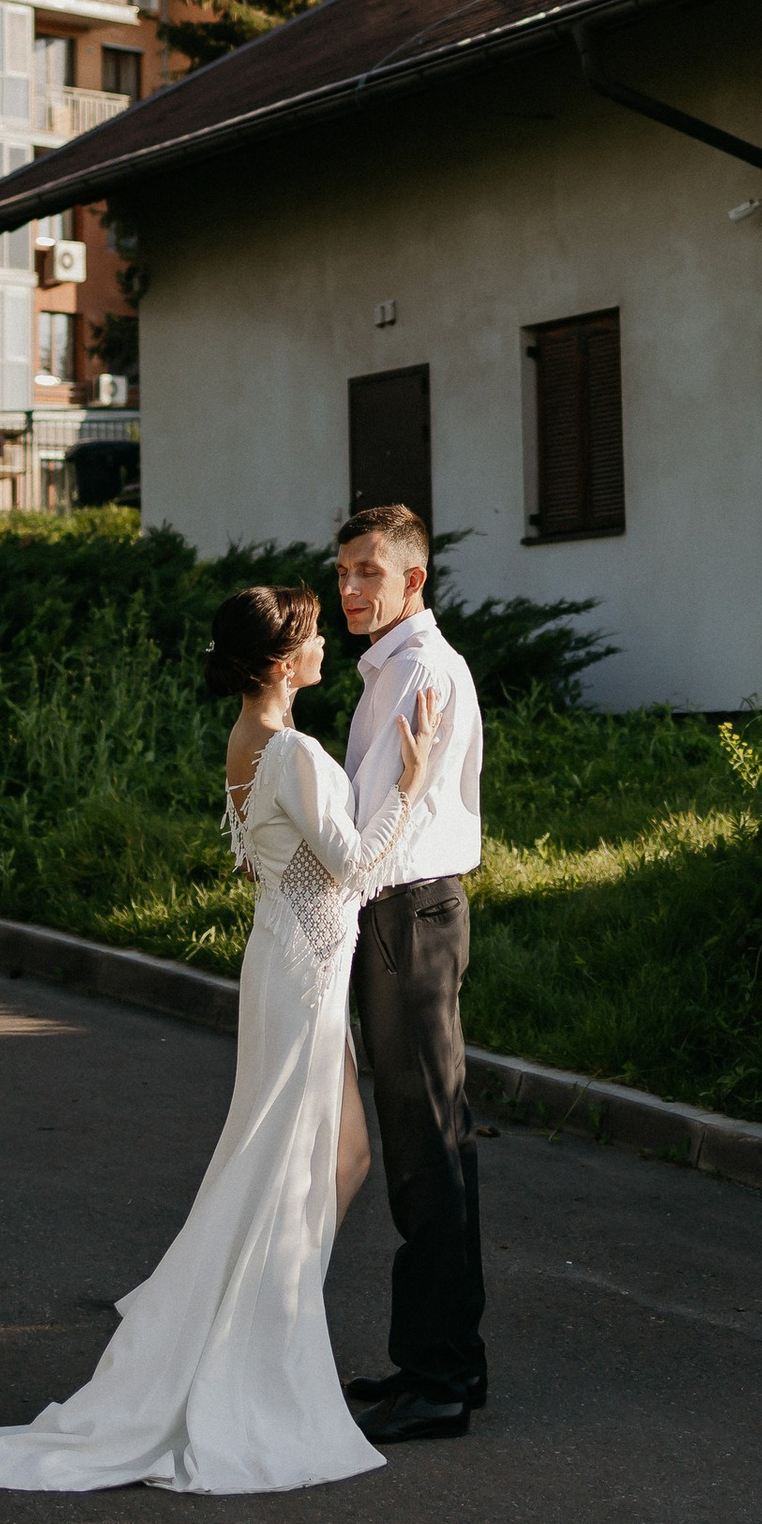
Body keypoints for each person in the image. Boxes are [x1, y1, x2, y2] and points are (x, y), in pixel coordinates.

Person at [0, 583, 439, 1495]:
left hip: (292, 966)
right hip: (300, 979)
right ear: (283, 662)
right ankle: (250, 1334)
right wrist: (411, 788)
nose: (325, 647)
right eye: (313, 637)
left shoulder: (249, 739)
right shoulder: (290, 750)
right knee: (285, 1163)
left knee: (342, 1160)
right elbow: (355, 868)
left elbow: (269, 863)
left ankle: (263, 1314)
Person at [331, 502, 487, 1446]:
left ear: (413, 580)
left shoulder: (420, 669)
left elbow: (364, 823)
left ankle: (438, 1381)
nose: (350, 590)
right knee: (430, 1142)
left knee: (426, 1149)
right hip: (407, 914)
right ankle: (447, 1361)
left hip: (410, 916)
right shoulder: (391, 666)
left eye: (369, 573)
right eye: (343, 573)